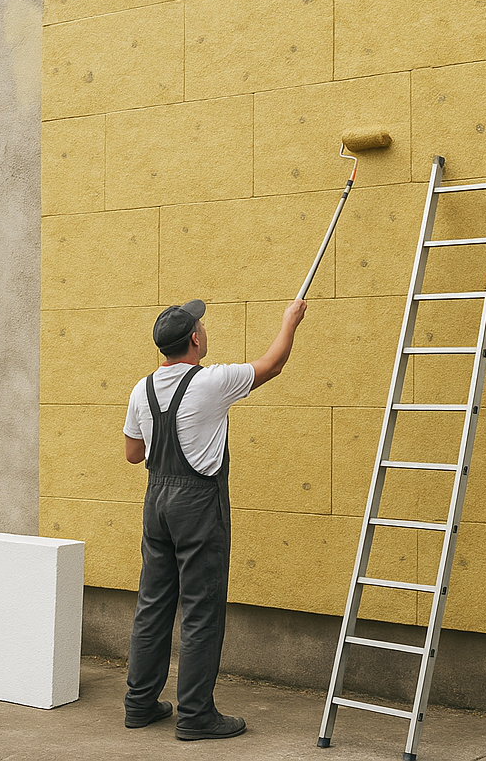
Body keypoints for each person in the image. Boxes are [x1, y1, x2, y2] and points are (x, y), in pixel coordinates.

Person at [122, 296, 307, 740]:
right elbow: (273, 364)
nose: (204, 330)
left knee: (153, 605)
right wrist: (290, 320)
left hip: (157, 503)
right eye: (201, 326)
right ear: (194, 339)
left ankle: (140, 705)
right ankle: (195, 716)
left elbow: (133, 454)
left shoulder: (141, 389)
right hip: (197, 507)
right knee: (201, 610)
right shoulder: (211, 382)